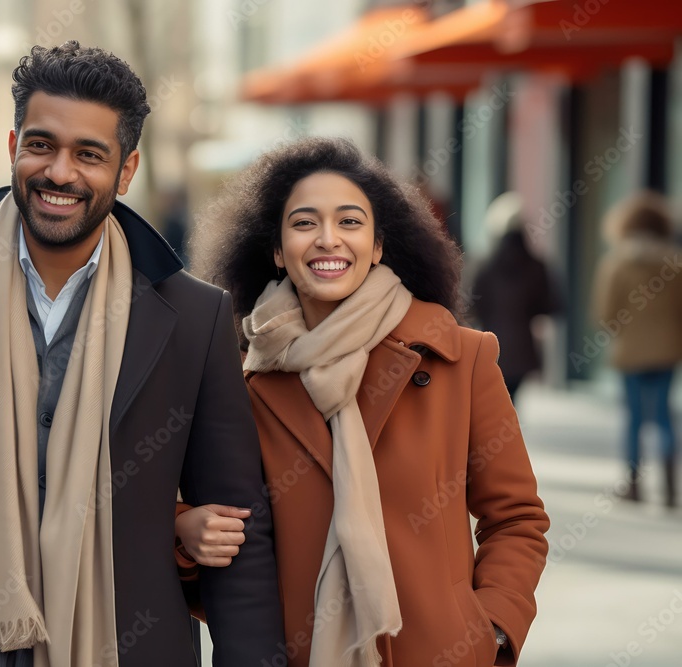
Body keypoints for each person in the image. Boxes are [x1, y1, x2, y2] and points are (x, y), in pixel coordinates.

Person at [0, 42, 285, 667]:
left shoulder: (195, 317)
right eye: (41, 145)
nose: (60, 172)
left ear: (126, 170)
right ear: (13, 148)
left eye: (89, 154)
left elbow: (235, 526)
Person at [175, 137, 549, 666]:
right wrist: (185, 531)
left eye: (350, 222)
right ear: (277, 250)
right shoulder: (241, 385)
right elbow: (230, 551)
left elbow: (516, 519)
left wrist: (490, 630)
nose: (329, 239)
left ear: (377, 245)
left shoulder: (460, 359)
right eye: (304, 223)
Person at [592, 191, 682, 506]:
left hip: (629, 352)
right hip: (668, 352)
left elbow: (605, 314)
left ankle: (634, 485)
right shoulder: (675, 264)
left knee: (633, 418)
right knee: (663, 416)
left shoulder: (616, 264)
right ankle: (670, 488)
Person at [472, 192, 561, 398]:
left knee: (494, 400)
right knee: (510, 401)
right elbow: (551, 305)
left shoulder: (485, 266)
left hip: (491, 345)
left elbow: (472, 306)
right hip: (523, 348)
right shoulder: (536, 266)